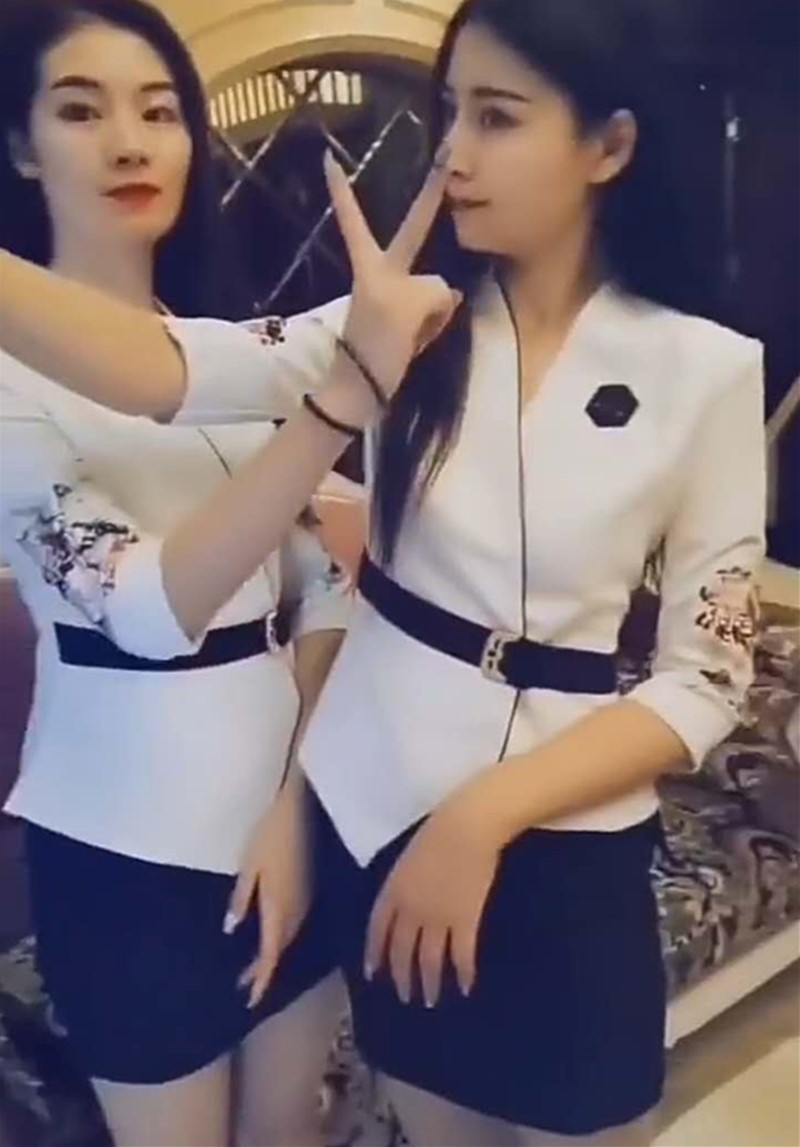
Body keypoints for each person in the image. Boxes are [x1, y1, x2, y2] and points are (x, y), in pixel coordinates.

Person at [1, 0, 766, 1143]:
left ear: (607, 147)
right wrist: (354, 362)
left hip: (566, 832)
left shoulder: (705, 370)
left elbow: (704, 675)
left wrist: (479, 816)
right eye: (446, 112)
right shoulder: (403, 325)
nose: (451, 153)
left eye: (495, 118)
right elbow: (163, 368)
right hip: (375, 810)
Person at [0, 1, 457, 1144]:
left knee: (289, 1132)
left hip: (284, 827)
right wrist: (337, 403)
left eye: (159, 112)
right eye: (81, 111)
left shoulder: (222, 353)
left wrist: (294, 807)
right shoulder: (10, 381)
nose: (129, 143)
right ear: (20, 147)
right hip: (125, 861)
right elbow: (148, 608)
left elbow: (322, 589)